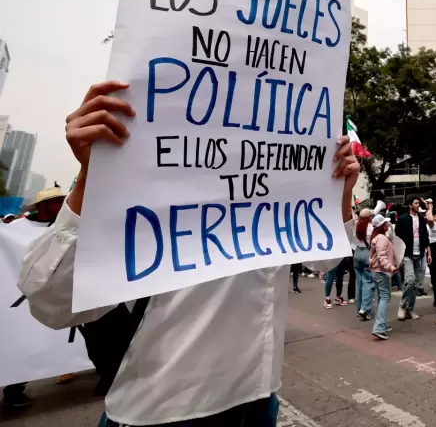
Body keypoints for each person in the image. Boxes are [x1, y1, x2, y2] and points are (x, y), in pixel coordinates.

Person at [18, 80, 360, 426]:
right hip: (161, 411)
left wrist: (339, 190)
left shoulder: (277, 189)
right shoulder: (148, 186)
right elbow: (52, 302)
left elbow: (323, 259)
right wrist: (93, 173)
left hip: (258, 399)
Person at [1, 187, 69, 410]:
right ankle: (13, 390)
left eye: (61, 201)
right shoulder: (16, 228)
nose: (59, 206)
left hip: (61, 293)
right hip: (22, 298)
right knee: (27, 341)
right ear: (40, 207)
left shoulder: (67, 224)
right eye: (53, 203)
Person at [394, 198, 432, 320]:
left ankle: (410, 309)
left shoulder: (421, 219)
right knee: (409, 280)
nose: (417, 205)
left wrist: (429, 253)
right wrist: (397, 256)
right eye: (415, 203)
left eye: (418, 203)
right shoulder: (402, 219)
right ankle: (402, 306)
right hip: (407, 254)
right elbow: (397, 238)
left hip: (420, 254)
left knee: (415, 285)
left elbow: (425, 237)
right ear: (410, 205)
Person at [369, 215, 398, 340]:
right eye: (386, 223)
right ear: (382, 226)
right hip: (382, 271)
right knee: (384, 297)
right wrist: (390, 267)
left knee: (381, 297)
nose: (388, 225)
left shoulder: (378, 237)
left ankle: (382, 324)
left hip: (378, 271)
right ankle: (379, 327)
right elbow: (382, 257)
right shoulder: (381, 238)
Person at [353, 209, 375, 320]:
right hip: (367, 253)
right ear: (369, 217)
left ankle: (359, 309)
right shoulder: (371, 228)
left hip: (357, 253)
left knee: (360, 283)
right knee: (369, 282)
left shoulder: (356, 226)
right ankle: (365, 309)